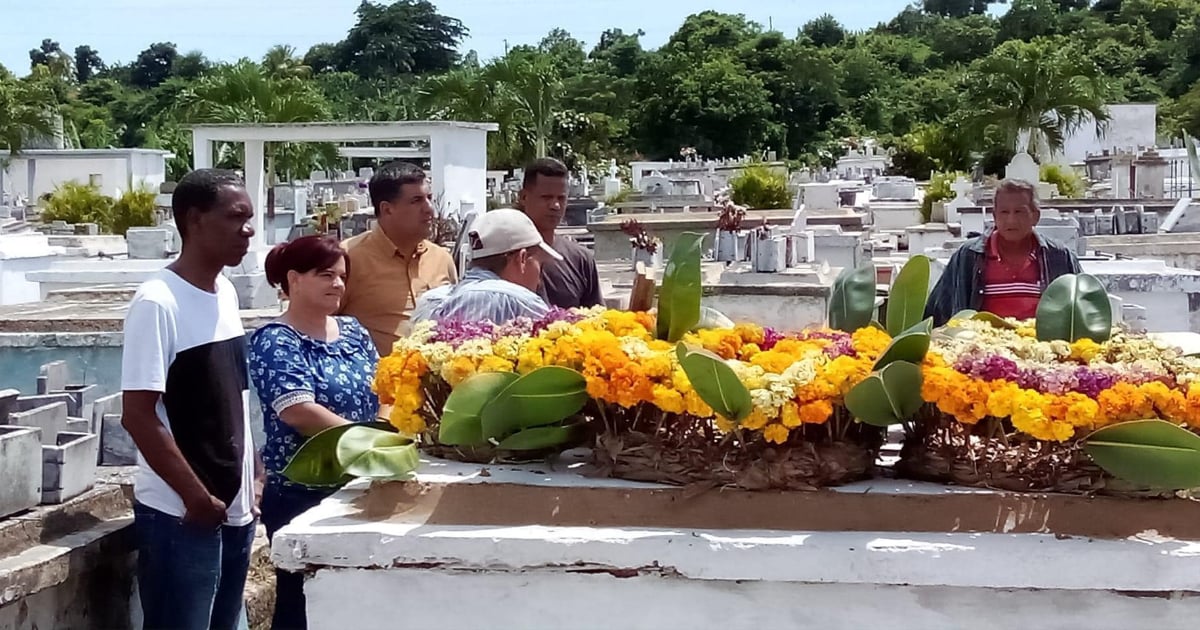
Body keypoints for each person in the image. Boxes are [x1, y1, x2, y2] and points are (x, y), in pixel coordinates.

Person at [120, 168, 258, 630]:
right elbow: (139, 416)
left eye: (251, 218)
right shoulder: (158, 301)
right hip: (183, 517)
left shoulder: (225, 293)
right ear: (194, 220)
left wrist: (251, 478)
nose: (249, 229)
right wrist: (196, 498)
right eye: (236, 217)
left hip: (234, 511)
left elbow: (232, 397)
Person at [248, 235, 379, 630]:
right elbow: (298, 411)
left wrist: (387, 427)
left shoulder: (353, 331)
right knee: (303, 603)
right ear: (294, 279)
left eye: (341, 276)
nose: (338, 284)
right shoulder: (275, 341)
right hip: (302, 492)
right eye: (325, 275)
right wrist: (369, 440)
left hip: (362, 485)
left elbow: (385, 388)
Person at [925, 178, 1083, 326]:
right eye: (1004, 212)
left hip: (1043, 352)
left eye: (1019, 212)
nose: (1011, 220)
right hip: (981, 350)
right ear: (994, 216)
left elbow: (1084, 310)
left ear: (1035, 216)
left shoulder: (1059, 257)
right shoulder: (968, 257)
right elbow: (937, 313)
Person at [340, 162, 457, 356]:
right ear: (387, 209)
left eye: (429, 198)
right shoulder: (348, 258)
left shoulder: (441, 259)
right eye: (416, 201)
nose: (429, 209)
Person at [412, 208, 560, 324]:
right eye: (540, 264)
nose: (539, 279)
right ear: (522, 258)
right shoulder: (525, 303)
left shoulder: (429, 302)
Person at [519, 157, 604, 309]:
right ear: (524, 197)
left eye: (561, 198)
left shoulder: (580, 260)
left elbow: (598, 320)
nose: (555, 205)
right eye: (546, 198)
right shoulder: (503, 257)